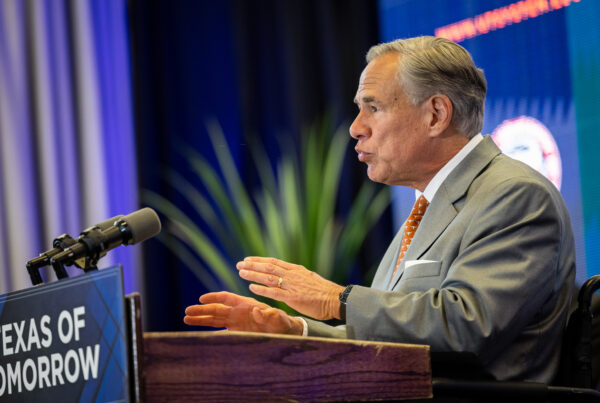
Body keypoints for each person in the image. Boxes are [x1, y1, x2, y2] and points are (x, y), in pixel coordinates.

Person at [184, 36, 575, 383]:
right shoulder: (426, 207)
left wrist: (334, 299)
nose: (356, 127)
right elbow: (392, 338)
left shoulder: (515, 194)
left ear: (436, 115)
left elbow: (466, 328)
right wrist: (295, 331)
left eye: (373, 107)